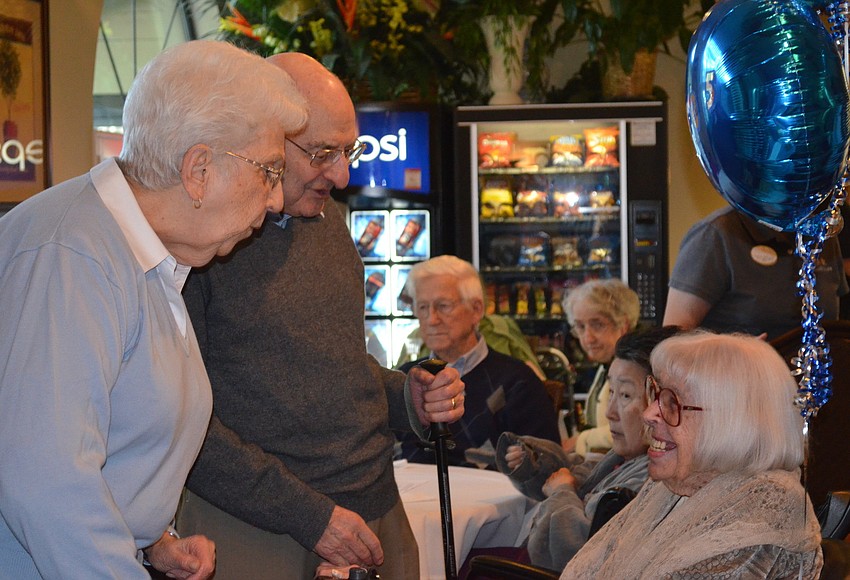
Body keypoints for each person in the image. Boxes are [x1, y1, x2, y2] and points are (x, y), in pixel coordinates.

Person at [0, 40, 308, 578]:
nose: (278, 199)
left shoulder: (148, 255)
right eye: (269, 171)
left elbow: (114, 433)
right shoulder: (73, 254)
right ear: (198, 170)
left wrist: (152, 538)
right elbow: (46, 482)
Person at [177, 52, 465, 580]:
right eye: (323, 153)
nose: (342, 173)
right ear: (265, 137)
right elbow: (181, 421)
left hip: (373, 508)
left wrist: (409, 398)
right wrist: (309, 516)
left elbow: (337, 366)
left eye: (349, 150)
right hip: (254, 532)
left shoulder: (325, 218)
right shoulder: (200, 237)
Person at [562, 331, 823, 579]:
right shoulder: (675, 487)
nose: (648, 414)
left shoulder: (760, 513)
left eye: (672, 403)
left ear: (730, 423)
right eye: (656, 394)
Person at [495, 326, 680, 571]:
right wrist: (536, 465)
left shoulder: (648, 480)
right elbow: (581, 474)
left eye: (625, 395)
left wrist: (562, 492)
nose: (610, 412)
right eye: (611, 392)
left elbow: (574, 556)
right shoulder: (623, 460)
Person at [397, 255, 560, 468]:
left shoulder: (517, 382)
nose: (431, 319)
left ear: (476, 310)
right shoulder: (405, 378)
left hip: (491, 490)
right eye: (422, 307)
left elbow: (548, 465)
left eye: (443, 306)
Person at [664, 204, 848, 340]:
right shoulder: (717, 233)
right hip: (737, 379)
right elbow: (671, 343)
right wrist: (736, 354)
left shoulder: (822, 233)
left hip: (818, 379)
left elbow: (832, 325)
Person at [562, 278, 640, 455]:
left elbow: (636, 429)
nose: (588, 338)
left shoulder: (635, 367)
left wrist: (582, 440)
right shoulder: (609, 362)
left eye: (597, 325)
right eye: (580, 326)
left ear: (623, 325)